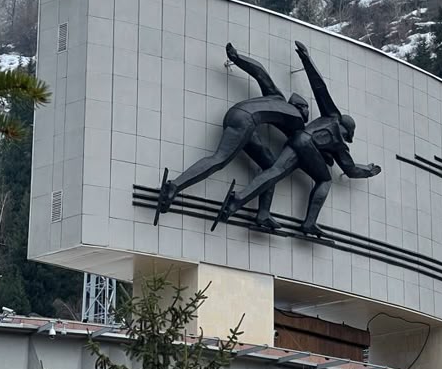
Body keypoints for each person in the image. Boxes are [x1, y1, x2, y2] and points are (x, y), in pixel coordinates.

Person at [212, 40, 380, 236]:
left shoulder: (329, 115)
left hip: (296, 140)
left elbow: (319, 87)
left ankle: (237, 200)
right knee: (325, 180)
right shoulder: (340, 145)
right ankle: (309, 223)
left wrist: (306, 59)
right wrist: (368, 170)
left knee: (273, 171)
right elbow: (350, 170)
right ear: (348, 132)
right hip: (308, 149)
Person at [155, 42, 309, 227]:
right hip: (245, 121)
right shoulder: (296, 118)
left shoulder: (275, 96)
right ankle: (174, 186)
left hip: (240, 118)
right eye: (306, 109)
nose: (307, 114)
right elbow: (300, 142)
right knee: (219, 159)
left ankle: (263, 214)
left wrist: (236, 57)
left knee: (270, 167)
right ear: (299, 108)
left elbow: (260, 72)